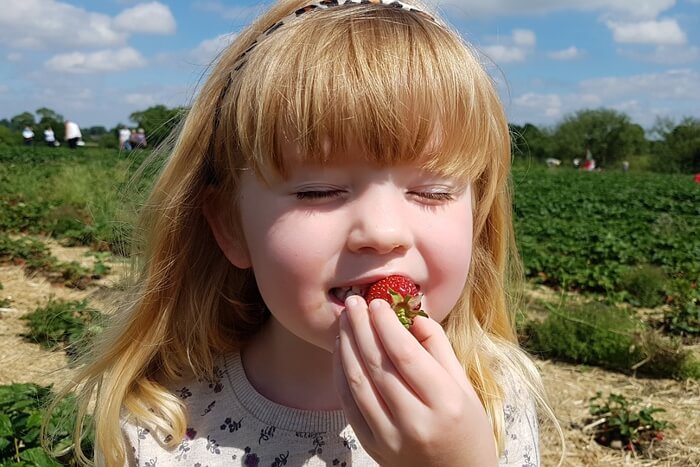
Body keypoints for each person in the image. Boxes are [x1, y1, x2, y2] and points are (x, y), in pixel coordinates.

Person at [49, 0, 560, 465]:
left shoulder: (491, 398)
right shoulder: (163, 423)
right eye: (317, 191)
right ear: (231, 225)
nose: (382, 233)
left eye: (432, 192)